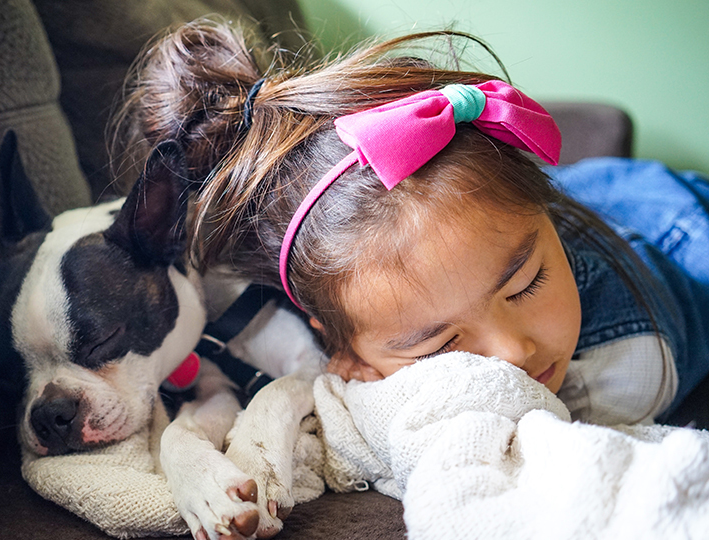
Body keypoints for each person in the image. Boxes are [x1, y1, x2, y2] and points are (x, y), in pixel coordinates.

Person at [114, 19, 709, 426]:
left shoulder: (632, 366)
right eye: (439, 345)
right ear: (342, 349)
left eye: (526, 283)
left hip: (672, 222)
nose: (514, 351)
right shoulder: (342, 287)